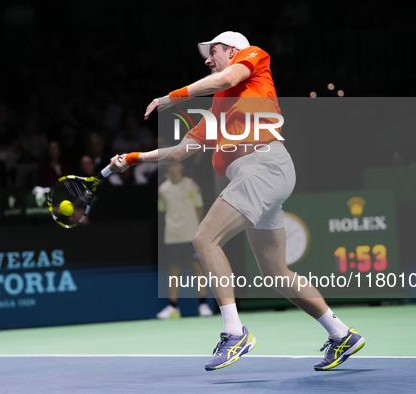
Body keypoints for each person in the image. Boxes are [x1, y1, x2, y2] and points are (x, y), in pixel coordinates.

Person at [109, 31, 364, 372]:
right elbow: (181, 151)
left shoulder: (254, 57)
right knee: (275, 272)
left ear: (232, 50)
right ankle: (341, 333)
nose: (207, 58)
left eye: (212, 51)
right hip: (264, 176)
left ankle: (234, 332)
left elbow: (226, 77)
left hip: (261, 166)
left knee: (204, 239)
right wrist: (132, 157)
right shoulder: (218, 109)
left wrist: (171, 99)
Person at [157, 162, 213, 319]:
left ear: (181, 166)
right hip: (172, 235)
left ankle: (203, 304)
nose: (172, 168)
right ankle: (173, 307)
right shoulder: (162, 189)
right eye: (169, 166)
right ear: (167, 168)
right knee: (173, 270)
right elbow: (164, 211)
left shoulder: (191, 185)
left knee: (196, 267)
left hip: (190, 234)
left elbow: (199, 207)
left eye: (175, 165)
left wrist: (196, 230)